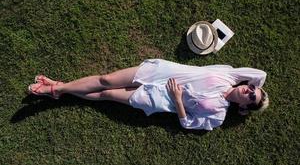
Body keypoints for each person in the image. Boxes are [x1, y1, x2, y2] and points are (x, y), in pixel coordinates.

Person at [28, 59, 269, 131]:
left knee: (106, 95)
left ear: (244, 108)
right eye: (251, 89)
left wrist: (177, 100)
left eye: (250, 98)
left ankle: (58, 89)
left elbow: (188, 123)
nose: (248, 91)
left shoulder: (217, 116)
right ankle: (59, 89)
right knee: (106, 79)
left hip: (159, 99)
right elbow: (261, 73)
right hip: (160, 73)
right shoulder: (229, 75)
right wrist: (259, 91)